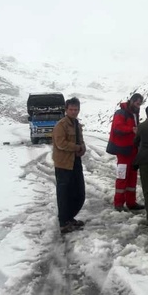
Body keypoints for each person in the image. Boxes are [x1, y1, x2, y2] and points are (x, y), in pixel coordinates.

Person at [106, 93, 146, 211]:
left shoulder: (134, 113)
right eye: (137, 103)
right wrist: (131, 129)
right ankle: (118, 203)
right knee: (122, 176)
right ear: (132, 101)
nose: (138, 106)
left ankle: (131, 202)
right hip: (123, 150)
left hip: (133, 149)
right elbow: (117, 128)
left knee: (132, 177)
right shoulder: (121, 113)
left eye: (140, 104)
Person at [52, 97, 86, 234]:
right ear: (66, 110)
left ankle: (70, 217)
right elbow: (61, 143)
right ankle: (63, 222)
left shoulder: (77, 124)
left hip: (75, 162)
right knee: (64, 194)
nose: (74, 112)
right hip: (63, 164)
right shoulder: (61, 125)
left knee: (78, 193)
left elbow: (81, 140)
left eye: (76, 109)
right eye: (71, 109)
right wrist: (77, 147)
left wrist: (82, 147)